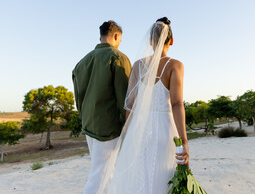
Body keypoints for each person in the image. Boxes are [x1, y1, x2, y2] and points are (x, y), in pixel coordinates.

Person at [100, 17, 189, 194]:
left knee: (140, 177)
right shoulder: (175, 66)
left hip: (139, 129)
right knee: (164, 177)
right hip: (165, 128)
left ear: (149, 41)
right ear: (171, 41)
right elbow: (177, 103)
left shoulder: (138, 66)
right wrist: (184, 141)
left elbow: (130, 106)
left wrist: (129, 135)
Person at [72, 20, 132, 194]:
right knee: (99, 175)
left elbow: (78, 97)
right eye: (120, 39)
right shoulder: (118, 57)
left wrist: (84, 117)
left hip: (89, 124)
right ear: (115, 36)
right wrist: (129, 124)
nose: (120, 43)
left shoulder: (82, 61)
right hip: (108, 128)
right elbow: (125, 99)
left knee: (106, 172)